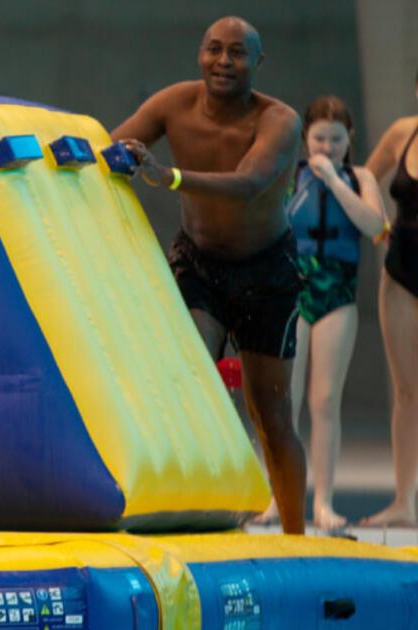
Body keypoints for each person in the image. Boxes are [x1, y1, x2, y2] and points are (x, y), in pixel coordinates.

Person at [111, 16, 308, 534]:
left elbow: (250, 183)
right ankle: (201, 515)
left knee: (271, 414)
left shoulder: (279, 120)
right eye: (214, 50)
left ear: (258, 63)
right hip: (198, 264)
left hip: (268, 270)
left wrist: (166, 176)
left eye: (238, 53)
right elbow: (111, 145)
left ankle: (295, 537)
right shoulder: (173, 103)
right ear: (200, 54)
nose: (224, 61)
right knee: (191, 380)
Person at [278, 96, 387, 531]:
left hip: (336, 296)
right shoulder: (291, 176)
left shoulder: (360, 177)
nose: (327, 146)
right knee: (287, 402)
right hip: (293, 291)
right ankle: (278, 496)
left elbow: (374, 225)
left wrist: (336, 181)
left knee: (325, 400)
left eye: (336, 139)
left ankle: (323, 501)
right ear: (304, 138)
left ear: (350, 139)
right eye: (319, 138)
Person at [361, 69, 418, 527]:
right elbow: (365, 173)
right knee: (406, 390)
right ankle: (403, 502)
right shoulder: (404, 132)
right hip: (400, 272)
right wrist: (377, 220)